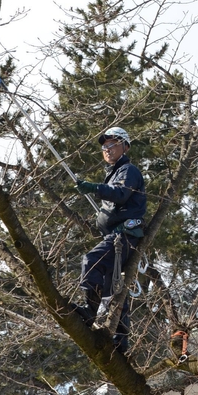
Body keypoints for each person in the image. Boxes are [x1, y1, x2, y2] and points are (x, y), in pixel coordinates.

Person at [75, 127, 146, 352]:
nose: (107, 149)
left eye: (112, 144)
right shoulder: (114, 173)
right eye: (104, 147)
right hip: (117, 235)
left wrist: (94, 188)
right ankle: (120, 340)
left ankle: (90, 310)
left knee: (91, 261)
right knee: (116, 290)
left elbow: (120, 193)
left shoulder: (127, 170)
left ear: (125, 145)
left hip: (124, 236)